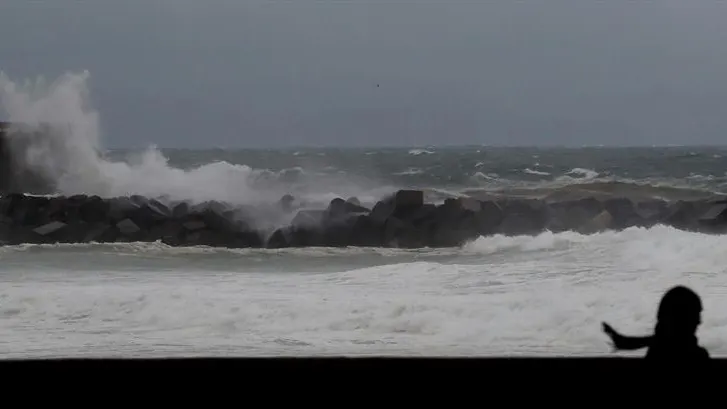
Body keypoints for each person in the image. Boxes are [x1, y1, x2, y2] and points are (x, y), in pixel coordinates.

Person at [601, 285, 710, 360]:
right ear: (682, 320)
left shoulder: (657, 352)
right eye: (695, 315)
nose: (699, 321)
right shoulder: (696, 356)